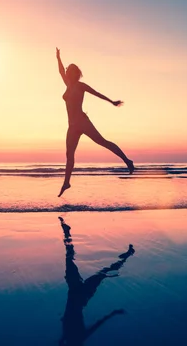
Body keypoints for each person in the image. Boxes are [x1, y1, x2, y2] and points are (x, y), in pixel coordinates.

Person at [56, 48, 134, 197]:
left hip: (82, 121)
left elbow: (97, 93)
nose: (66, 72)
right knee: (69, 154)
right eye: (67, 70)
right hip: (72, 126)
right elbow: (60, 71)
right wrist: (58, 57)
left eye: (69, 70)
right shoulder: (68, 85)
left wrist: (111, 101)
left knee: (103, 142)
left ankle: (127, 161)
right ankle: (67, 182)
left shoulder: (80, 86)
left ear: (74, 73)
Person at [58, 217, 135, 345]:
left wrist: (113, 314)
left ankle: (67, 231)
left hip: (78, 293)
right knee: (101, 272)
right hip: (80, 294)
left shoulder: (72, 338)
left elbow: (96, 324)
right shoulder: (76, 337)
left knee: (100, 272)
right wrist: (112, 314)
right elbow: (98, 324)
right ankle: (127, 256)